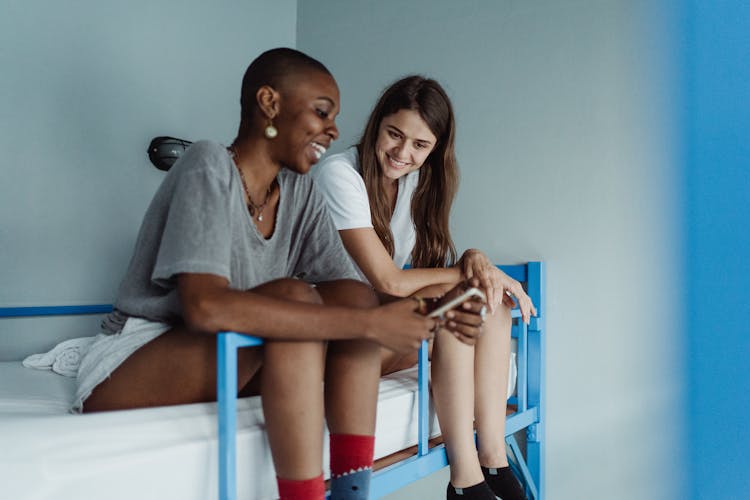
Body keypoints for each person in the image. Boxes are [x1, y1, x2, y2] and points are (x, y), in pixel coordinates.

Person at [73, 49, 440, 500]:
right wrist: (369, 324)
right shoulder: (208, 164)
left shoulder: (299, 191)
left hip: (233, 351)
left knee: (350, 299)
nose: (334, 130)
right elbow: (204, 307)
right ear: (269, 103)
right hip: (139, 353)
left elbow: (357, 297)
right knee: (294, 296)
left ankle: (351, 491)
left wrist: (428, 312)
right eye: (322, 112)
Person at [312, 75, 537, 500]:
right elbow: (390, 280)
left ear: (435, 150)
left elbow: (427, 277)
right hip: (333, 336)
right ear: (377, 124)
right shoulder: (339, 176)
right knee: (463, 302)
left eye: (420, 145)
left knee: (489, 307)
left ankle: (492, 459)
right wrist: (477, 268)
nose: (403, 153)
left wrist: (475, 266)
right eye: (394, 135)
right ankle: (465, 481)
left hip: (377, 327)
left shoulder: (414, 185)